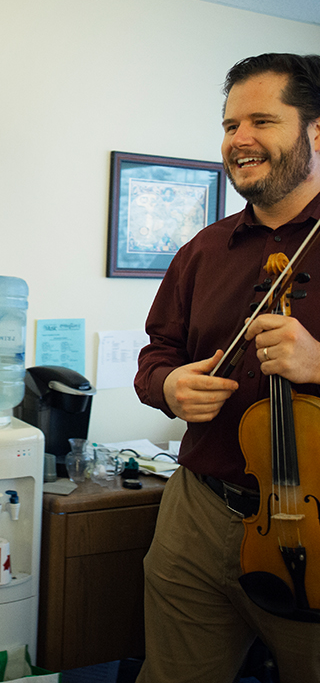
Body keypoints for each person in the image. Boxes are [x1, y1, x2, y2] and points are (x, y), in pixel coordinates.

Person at [135, 52, 320, 683]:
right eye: (229, 124)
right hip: (197, 511)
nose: (238, 140)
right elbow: (155, 353)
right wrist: (169, 385)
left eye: (262, 120)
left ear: (316, 132)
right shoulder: (203, 249)